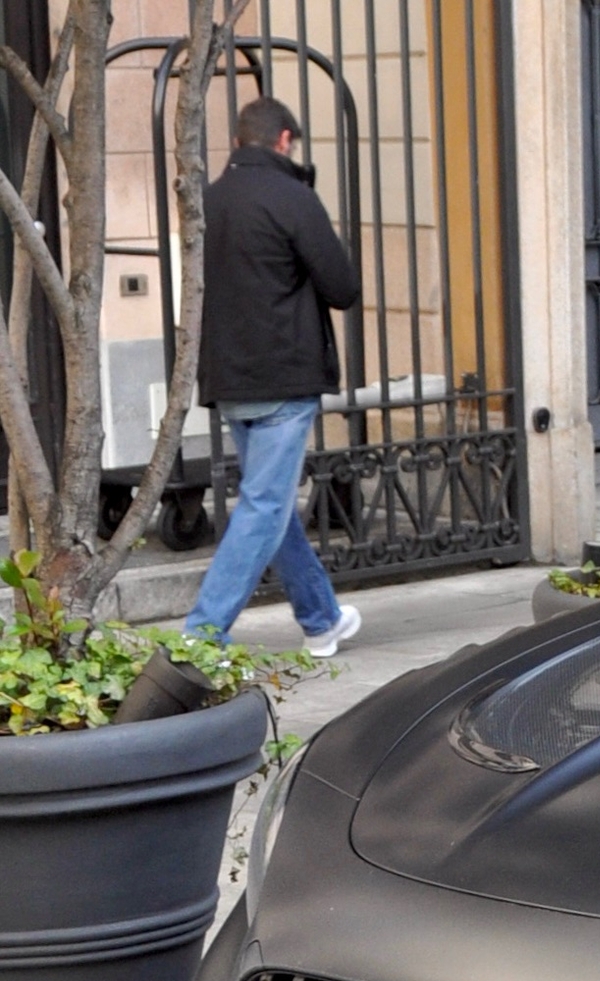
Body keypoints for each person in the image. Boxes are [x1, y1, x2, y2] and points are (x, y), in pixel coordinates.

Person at [183, 97, 364, 656]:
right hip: (284, 376)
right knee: (264, 506)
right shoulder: (294, 198)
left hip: (230, 378)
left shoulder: (208, 201)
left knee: (273, 503)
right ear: (284, 140)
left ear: (239, 142)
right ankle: (200, 636)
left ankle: (321, 619)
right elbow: (342, 288)